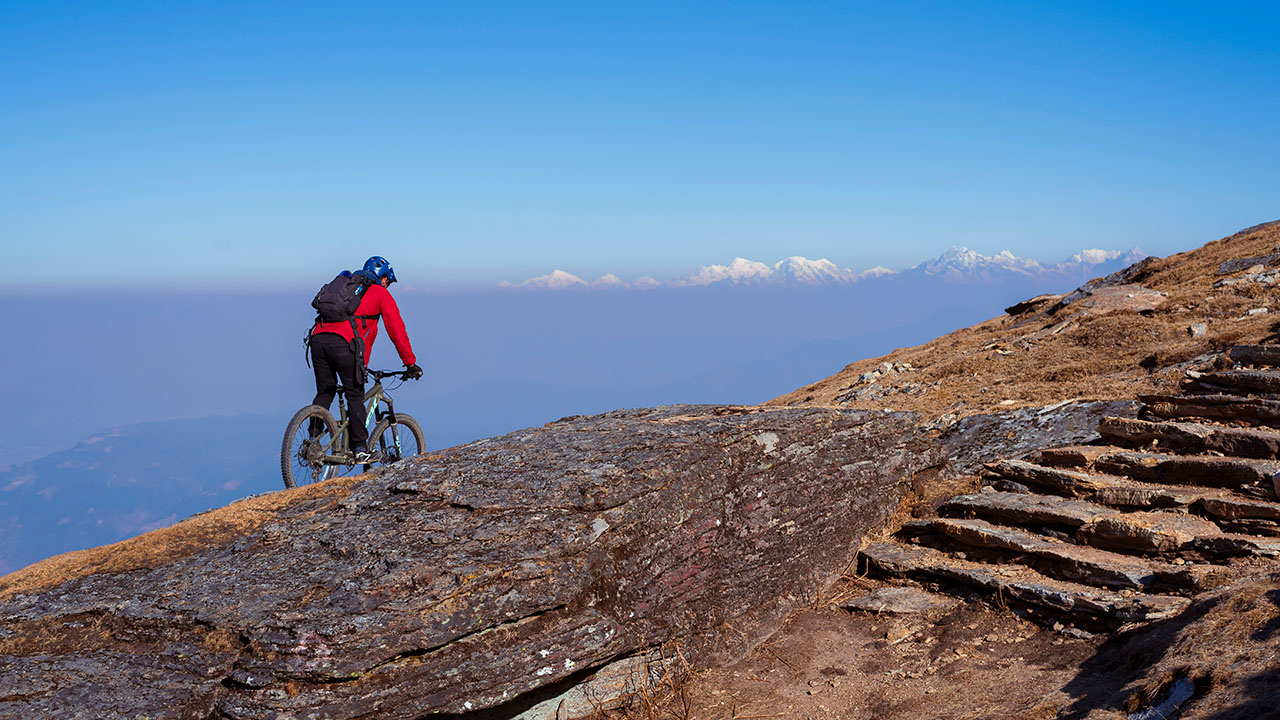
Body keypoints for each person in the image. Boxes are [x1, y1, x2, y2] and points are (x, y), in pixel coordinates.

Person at [310, 256, 423, 463]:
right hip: (344, 345)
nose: (388, 285)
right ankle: (360, 448)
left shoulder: (346, 287)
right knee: (355, 394)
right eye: (388, 281)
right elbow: (396, 330)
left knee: (325, 391)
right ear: (383, 278)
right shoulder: (380, 293)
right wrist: (410, 363)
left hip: (317, 339)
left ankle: (312, 442)